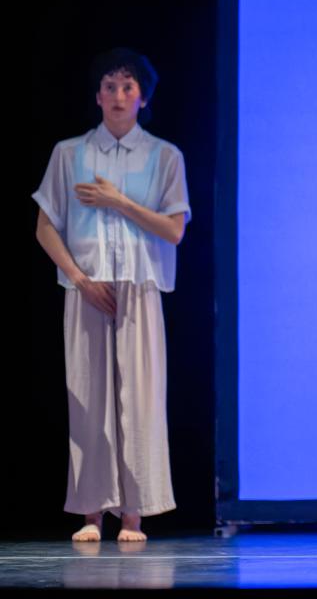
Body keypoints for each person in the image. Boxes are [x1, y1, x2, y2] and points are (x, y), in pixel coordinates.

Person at [33, 48, 190, 542]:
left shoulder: (164, 155)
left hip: (138, 289)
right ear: (97, 95)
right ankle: (91, 514)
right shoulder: (69, 153)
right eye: (109, 86)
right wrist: (79, 278)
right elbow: (45, 227)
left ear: (142, 97)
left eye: (128, 87)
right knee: (88, 399)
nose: (118, 96)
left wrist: (119, 201)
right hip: (87, 287)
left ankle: (133, 515)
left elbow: (173, 229)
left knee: (139, 399)